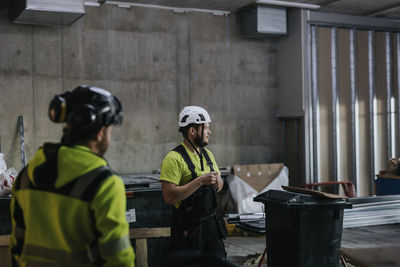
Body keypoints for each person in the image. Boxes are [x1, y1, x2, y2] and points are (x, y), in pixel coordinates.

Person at [9, 85, 135, 266]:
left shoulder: (26, 175)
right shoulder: (106, 185)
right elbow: (119, 258)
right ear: (100, 133)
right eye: (109, 130)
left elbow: (16, 244)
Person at [160, 106, 227, 259]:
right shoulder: (173, 159)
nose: (210, 132)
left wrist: (218, 182)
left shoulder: (207, 154)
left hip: (211, 227)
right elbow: (169, 196)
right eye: (206, 128)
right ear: (192, 131)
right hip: (188, 231)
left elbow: (220, 185)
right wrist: (200, 181)